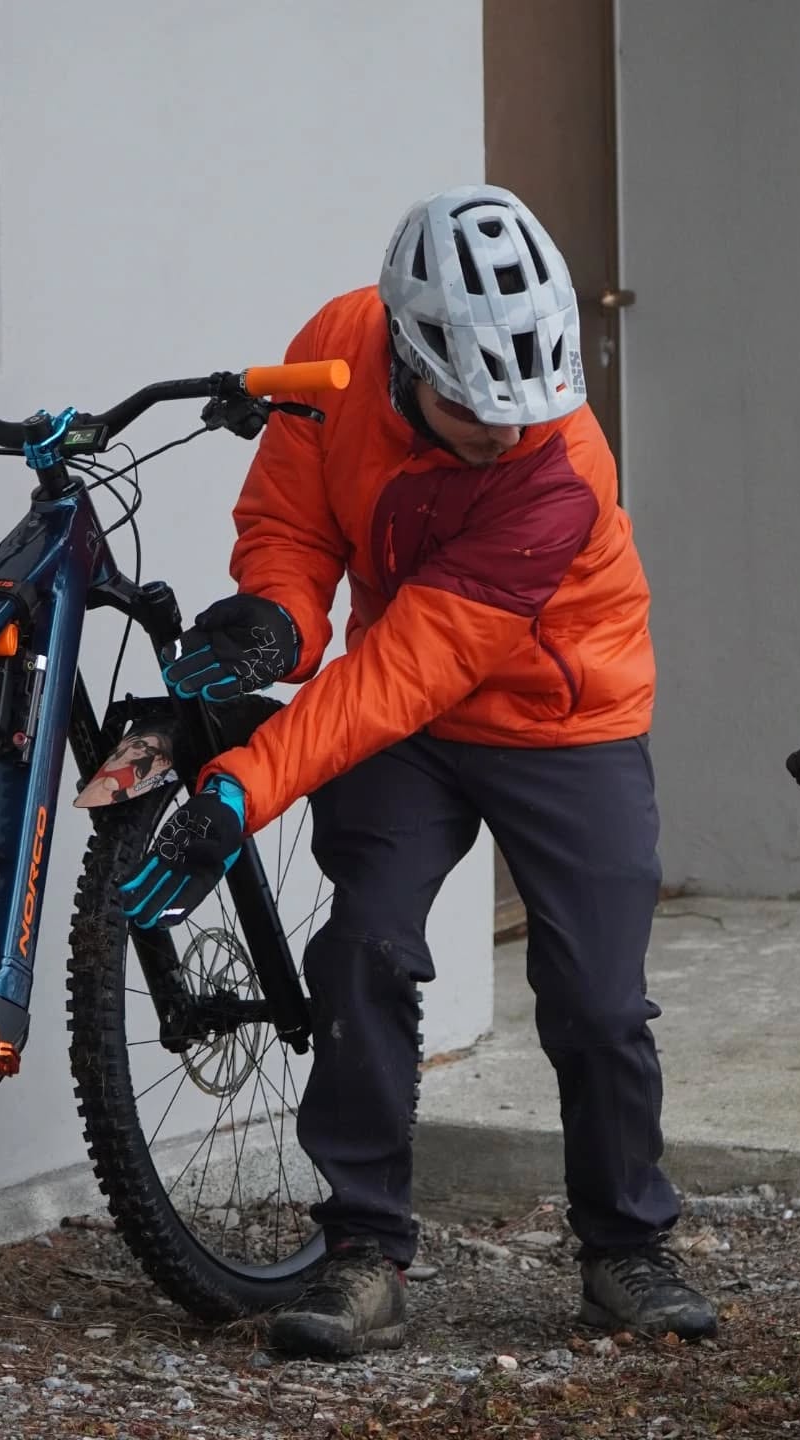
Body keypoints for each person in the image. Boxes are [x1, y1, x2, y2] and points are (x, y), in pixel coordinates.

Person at [118, 184, 716, 1357]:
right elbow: (295, 524)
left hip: (562, 716)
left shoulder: (558, 468)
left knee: (596, 1002)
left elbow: (410, 665)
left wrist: (241, 789)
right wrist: (280, 624)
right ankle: (362, 1255)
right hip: (413, 721)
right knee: (364, 949)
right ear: (403, 345)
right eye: (471, 408)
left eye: (521, 409)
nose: (503, 432)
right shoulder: (334, 351)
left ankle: (625, 1249)